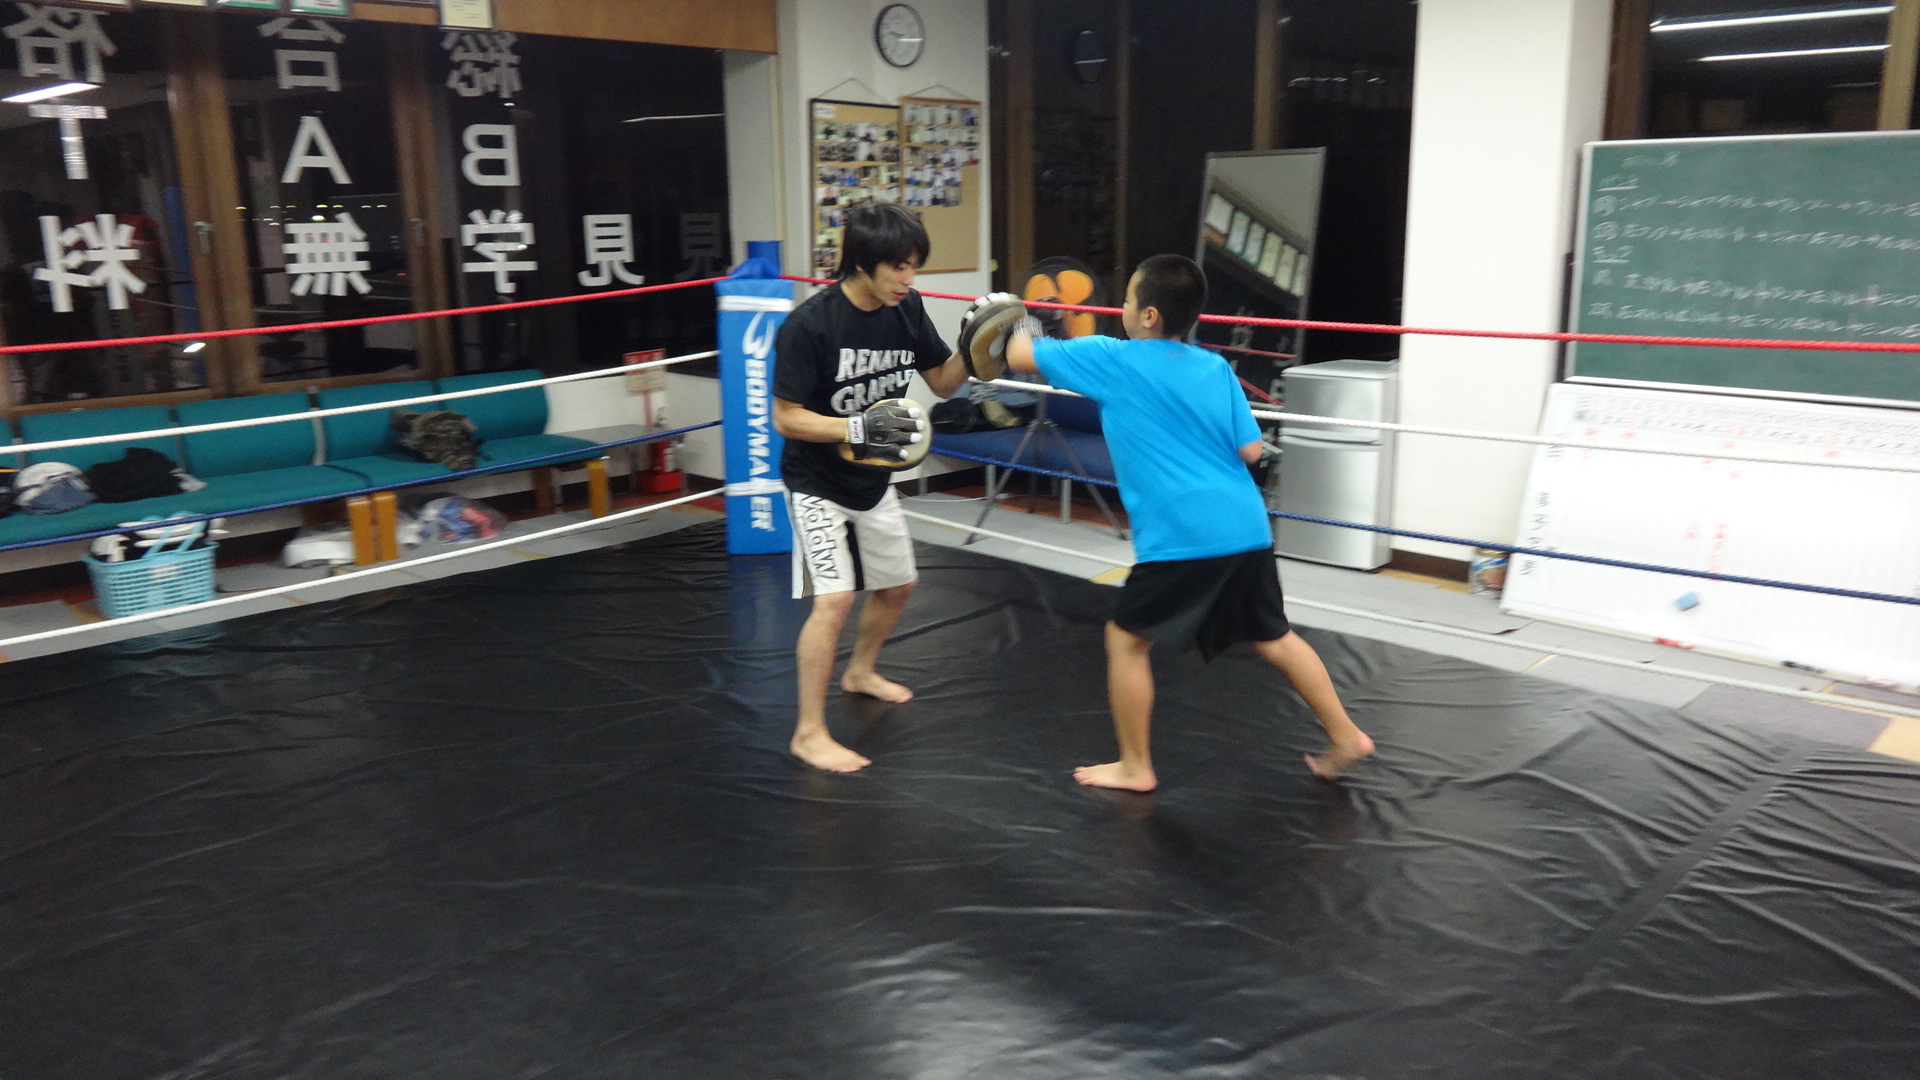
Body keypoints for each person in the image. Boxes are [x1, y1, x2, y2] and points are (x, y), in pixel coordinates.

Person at [1002, 253, 1375, 791]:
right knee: (1273, 636)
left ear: (1148, 315)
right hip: (1246, 527)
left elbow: (1018, 354)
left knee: (1125, 640)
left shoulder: (1113, 358)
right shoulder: (1215, 367)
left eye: (1127, 298)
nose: (1120, 306)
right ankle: (1345, 735)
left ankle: (1136, 766)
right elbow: (1251, 450)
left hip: (1183, 537)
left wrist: (1026, 316)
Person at [772, 203, 973, 773]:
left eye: (914, 267)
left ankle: (860, 671)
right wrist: (856, 428)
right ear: (863, 262)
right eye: (899, 267)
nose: (909, 279)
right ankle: (808, 733)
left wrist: (978, 347)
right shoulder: (810, 325)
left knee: (899, 586)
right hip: (814, 482)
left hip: (873, 477)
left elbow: (943, 381)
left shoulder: (906, 309)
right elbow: (786, 417)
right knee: (834, 600)